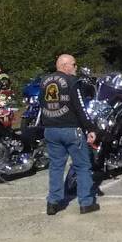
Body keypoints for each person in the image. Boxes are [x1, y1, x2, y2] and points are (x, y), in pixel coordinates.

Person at [40, 54, 99, 215]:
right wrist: (90, 128)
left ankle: (52, 202)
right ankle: (86, 203)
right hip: (71, 128)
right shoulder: (73, 82)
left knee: (56, 166)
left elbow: (41, 104)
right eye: (73, 64)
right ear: (64, 65)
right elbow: (80, 107)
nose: (75, 67)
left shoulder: (44, 81)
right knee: (82, 166)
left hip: (51, 129)